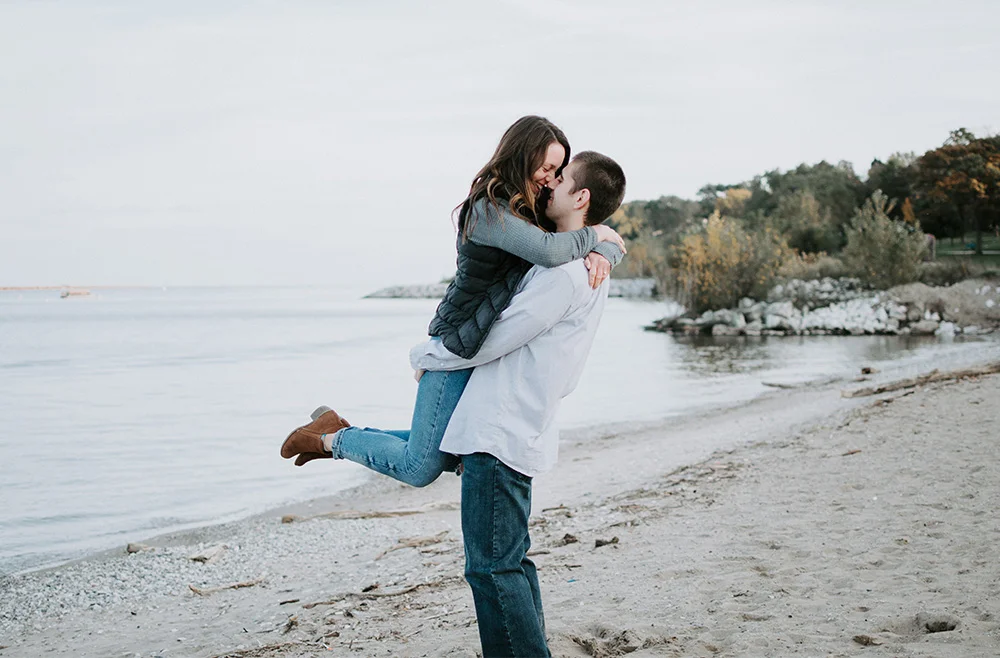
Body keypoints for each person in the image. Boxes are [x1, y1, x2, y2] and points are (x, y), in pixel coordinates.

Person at [279, 117, 625, 486]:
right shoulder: (488, 210)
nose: (550, 179)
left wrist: (607, 249)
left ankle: (334, 431)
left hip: (483, 340)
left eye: (557, 171)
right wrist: (599, 234)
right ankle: (331, 438)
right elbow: (550, 251)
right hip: (460, 338)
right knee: (420, 467)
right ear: (522, 156)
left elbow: (571, 236)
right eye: (546, 167)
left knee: (444, 450)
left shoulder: (532, 208)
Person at [410, 150, 627, 657]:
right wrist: (607, 243)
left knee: (491, 568)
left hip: (499, 429)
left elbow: (497, 337)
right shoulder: (582, 264)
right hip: (519, 425)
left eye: (561, 178)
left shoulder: (565, 274)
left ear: (581, 197)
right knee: (510, 560)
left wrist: (427, 355)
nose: (548, 184)